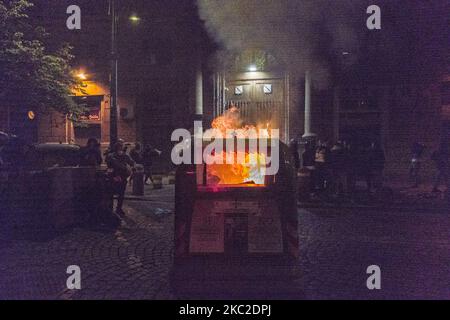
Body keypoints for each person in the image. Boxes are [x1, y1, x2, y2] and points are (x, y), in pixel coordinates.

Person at [106, 141, 135, 216]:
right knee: (118, 194)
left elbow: (132, 162)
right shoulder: (114, 156)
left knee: (116, 194)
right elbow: (131, 163)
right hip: (116, 176)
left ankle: (114, 209)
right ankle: (116, 209)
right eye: (120, 147)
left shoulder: (115, 155)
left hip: (118, 176)